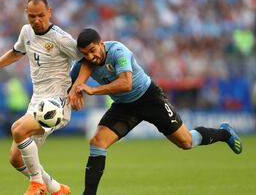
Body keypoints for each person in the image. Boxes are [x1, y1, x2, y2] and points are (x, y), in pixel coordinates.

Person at [68, 28, 243, 195]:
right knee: (97, 141)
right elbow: (70, 81)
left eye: (92, 50)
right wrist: (71, 93)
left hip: (149, 98)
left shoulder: (118, 51)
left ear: (101, 43)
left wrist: (93, 90)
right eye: (85, 54)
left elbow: (126, 83)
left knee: (186, 142)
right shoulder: (84, 63)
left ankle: (224, 133)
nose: (90, 57)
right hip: (123, 106)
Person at [0, 0, 82, 195]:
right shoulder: (26, 31)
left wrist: (78, 88)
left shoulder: (61, 39)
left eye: (41, 15)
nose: (36, 20)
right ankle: (58, 189)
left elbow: (86, 60)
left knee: (17, 129)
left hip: (56, 104)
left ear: (49, 12)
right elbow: (17, 52)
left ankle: (37, 184)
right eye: (31, 16)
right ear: (27, 15)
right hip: (36, 102)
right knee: (15, 159)